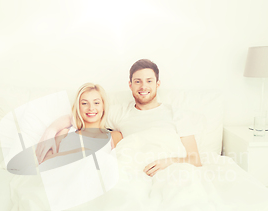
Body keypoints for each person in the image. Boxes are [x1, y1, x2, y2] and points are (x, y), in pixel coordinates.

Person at [36, 59, 201, 177]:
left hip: (171, 170)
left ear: (158, 84)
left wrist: (168, 162)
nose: (143, 86)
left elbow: (195, 160)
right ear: (130, 85)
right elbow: (80, 116)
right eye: (138, 81)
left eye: (149, 81)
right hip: (136, 172)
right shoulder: (119, 112)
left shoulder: (177, 114)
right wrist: (51, 131)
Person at [40, 83, 122, 164]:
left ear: (103, 106)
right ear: (78, 107)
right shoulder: (65, 134)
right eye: (84, 103)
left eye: (96, 103)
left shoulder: (114, 137)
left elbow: (120, 167)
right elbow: (45, 165)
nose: (91, 108)